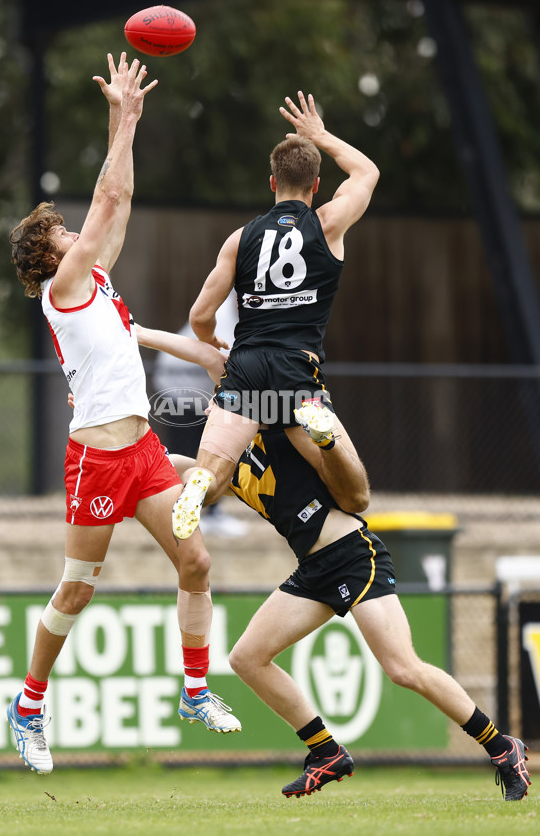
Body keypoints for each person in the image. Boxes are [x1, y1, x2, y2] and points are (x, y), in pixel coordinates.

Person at [136, 326, 531, 803]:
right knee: (246, 658)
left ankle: (501, 746)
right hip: (313, 568)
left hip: (350, 554)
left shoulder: (273, 423)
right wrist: (120, 434)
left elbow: (207, 353)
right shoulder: (216, 468)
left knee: (403, 668)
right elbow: (157, 463)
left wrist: (137, 332)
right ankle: (324, 751)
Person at [7, 53, 240, 776]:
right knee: (77, 586)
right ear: (49, 260)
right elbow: (107, 201)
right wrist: (128, 119)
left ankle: (196, 688)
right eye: (61, 236)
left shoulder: (94, 279)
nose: (75, 233)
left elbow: (121, 204)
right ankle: (29, 705)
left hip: (140, 451)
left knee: (196, 557)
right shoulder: (64, 288)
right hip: (98, 459)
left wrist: (120, 118)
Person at [172, 90, 380, 541]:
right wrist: (320, 135)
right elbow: (367, 172)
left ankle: (199, 484)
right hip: (295, 373)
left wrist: (210, 342)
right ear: (317, 185)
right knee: (355, 498)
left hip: (246, 370)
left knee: (212, 479)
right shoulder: (328, 222)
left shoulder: (240, 239)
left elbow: (200, 313)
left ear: (272, 183)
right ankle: (323, 435)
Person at [152, 292, 247, 537]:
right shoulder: (224, 316)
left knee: (211, 456)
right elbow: (231, 362)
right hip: (180, 388)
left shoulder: (242, 315)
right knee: (189, 453)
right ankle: (176, 510)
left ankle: (210, 514)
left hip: (204, 390)